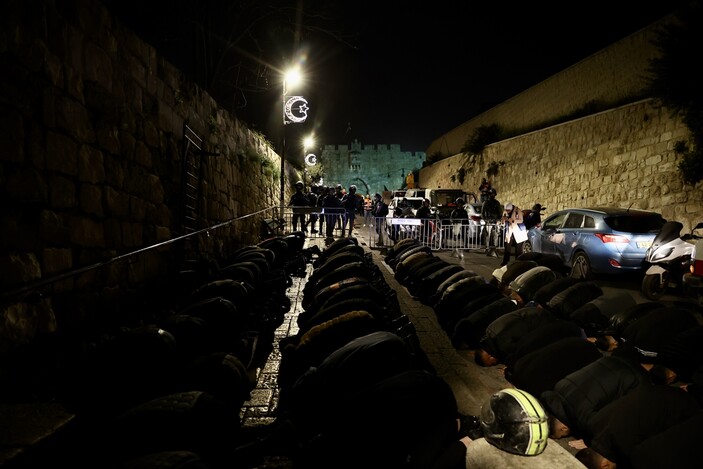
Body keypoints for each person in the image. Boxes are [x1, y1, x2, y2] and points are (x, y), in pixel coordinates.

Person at [500, 202, 526, 267]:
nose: (507, 212)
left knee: (518, 248)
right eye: (506, 210)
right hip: (510, 231)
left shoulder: (518, 211)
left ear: (511, 208)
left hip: (518, 231)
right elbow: (503, 221)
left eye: (508, 210)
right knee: (507, 247)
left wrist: (511, 220)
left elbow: (521, 220)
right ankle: (505, 261)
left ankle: (518, 262)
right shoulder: (505, 212)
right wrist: (503, 222)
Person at [480, 188, 502, 257]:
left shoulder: (497, 203)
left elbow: (499, 212)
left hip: (495, 221)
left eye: (493, 194)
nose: (492, 195)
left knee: (496, 235)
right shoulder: (486, 203)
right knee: (487, 235)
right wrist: (485, 220)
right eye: (491, 194)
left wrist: (498, 219)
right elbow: (483, 213)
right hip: (488, 221)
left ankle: (495, 247)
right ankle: (487, 247)